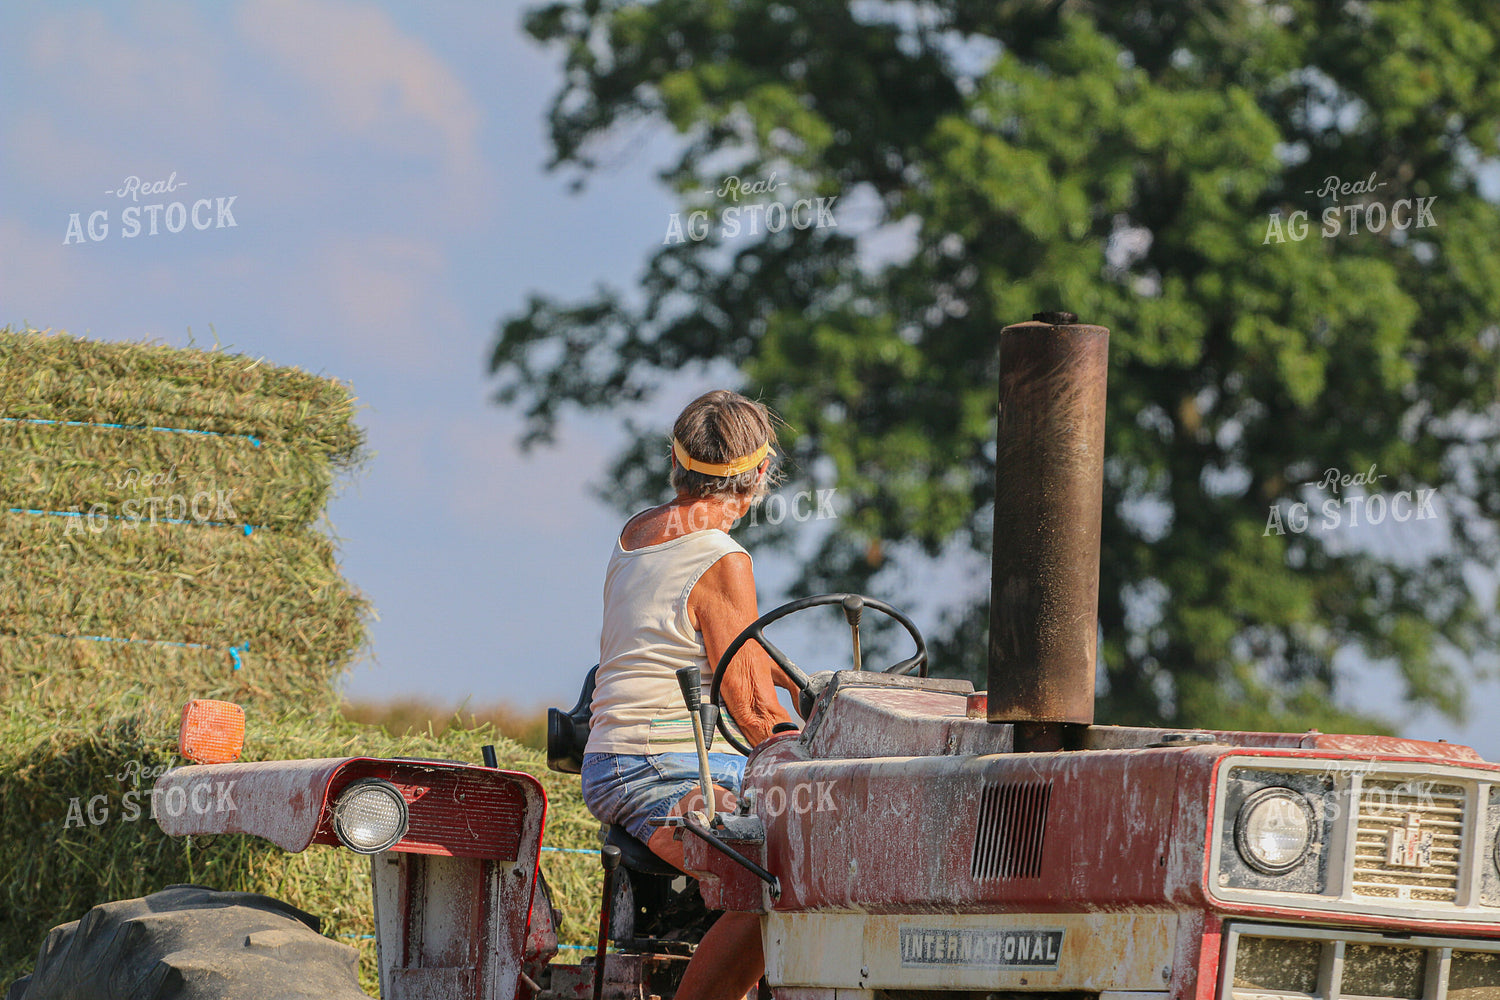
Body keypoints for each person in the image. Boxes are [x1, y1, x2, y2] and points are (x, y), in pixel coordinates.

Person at [581, 389, 798, 1000]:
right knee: (776, 881)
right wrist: (818, 756)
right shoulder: (719, 556)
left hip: (627, 758)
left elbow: (708, 645)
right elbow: (750, 704)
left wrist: (815, 687)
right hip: (655, 765)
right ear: (758, 476)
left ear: (676, 462)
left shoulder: (638, 533)